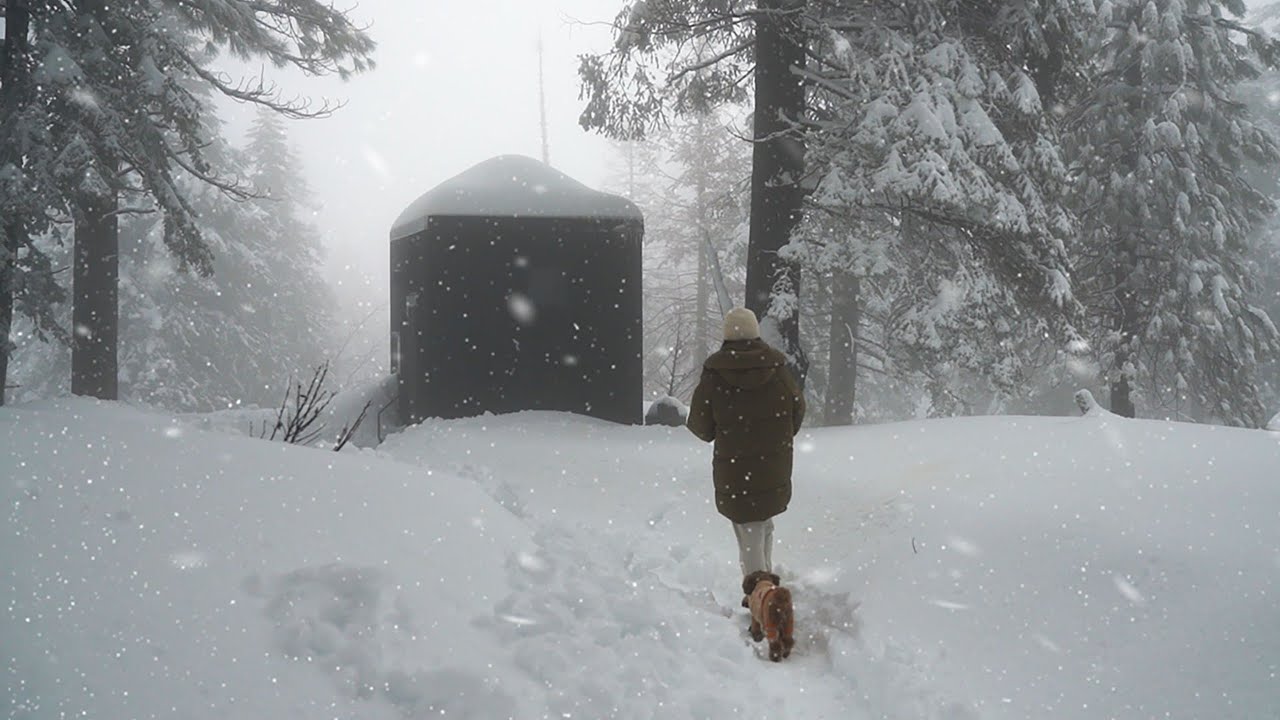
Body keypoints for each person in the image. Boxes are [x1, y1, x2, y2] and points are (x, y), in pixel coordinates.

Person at [685, 307, 805, 592]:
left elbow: (700, 426)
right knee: (764, 525)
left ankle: (760, 596)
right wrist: (777, 438)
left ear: (727, 335)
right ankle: (767, 590)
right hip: (773, 466)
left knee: (748, 531)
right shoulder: (777, 369)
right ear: (755, 332)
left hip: (736, 471)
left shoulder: (716, 373)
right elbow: (798, 410)